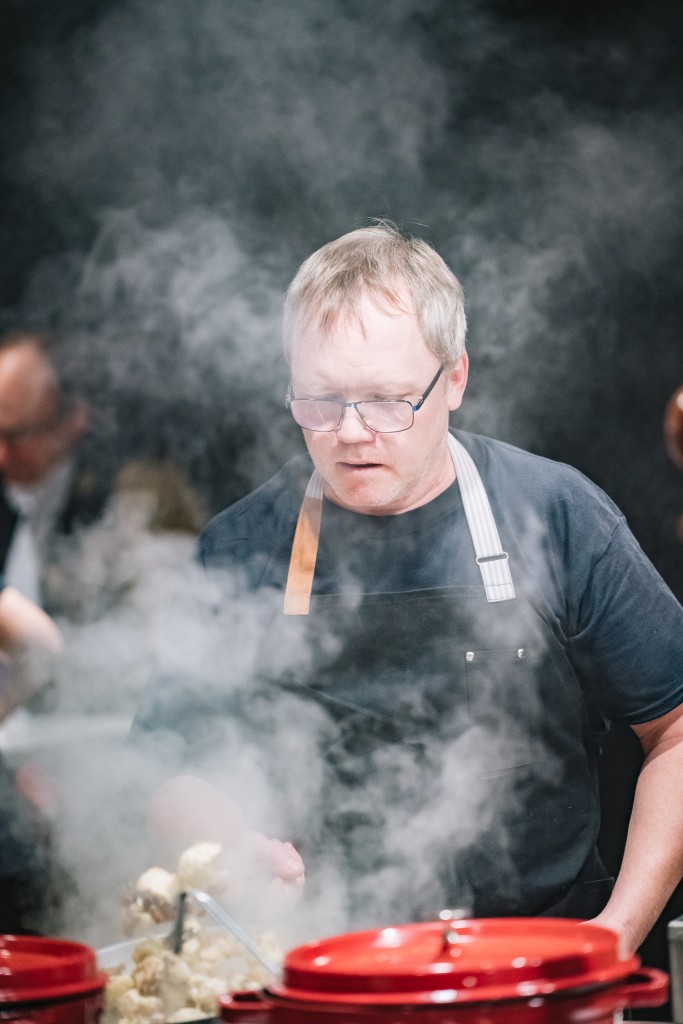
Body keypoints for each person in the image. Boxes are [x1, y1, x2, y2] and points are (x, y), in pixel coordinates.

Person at [130, 223, 683, 954]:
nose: (352, 434)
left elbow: (674, 729)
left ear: (454, 377)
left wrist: (616, 931)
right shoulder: (243, 546)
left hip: (539, 964)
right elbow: (166, 765)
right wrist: (226, 839)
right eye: (320, 402)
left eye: (388, 400)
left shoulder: (558, 516)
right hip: (311, 960)